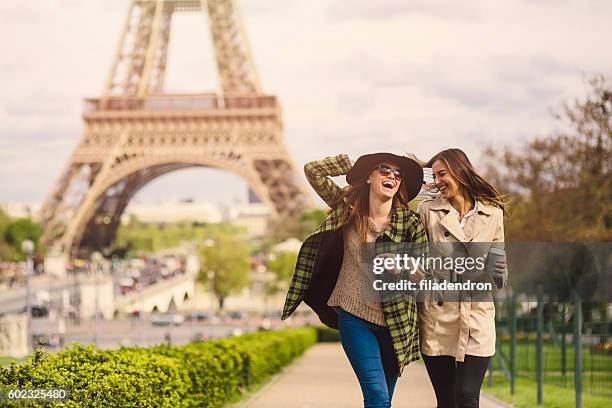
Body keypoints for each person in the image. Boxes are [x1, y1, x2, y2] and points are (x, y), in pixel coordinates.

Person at [281, 152, 427, 408]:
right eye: (383, 169)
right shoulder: (347, 209)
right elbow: (312, 170)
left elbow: (421, 273)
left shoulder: (411, 224)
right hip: (354, 317)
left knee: (383, 401)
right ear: (369, 176)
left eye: (397, 173)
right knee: (377, 397)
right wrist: (352, 166)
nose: (391, 175)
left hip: (396, 322)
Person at [414, 148, 508, 408]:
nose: (437, 181)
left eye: (442, 174)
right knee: (446, 400)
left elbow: (499, 264)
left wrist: (498, 273)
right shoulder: (427, 211)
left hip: (477, 315)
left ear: (460, 170)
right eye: (434, 176)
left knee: (467, 395)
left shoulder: (493, 213)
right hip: (438, 317)